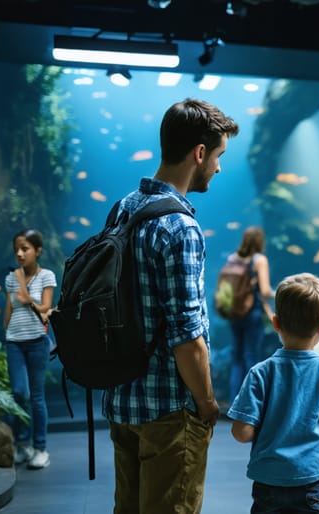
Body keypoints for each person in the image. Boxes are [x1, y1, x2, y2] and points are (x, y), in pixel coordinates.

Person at [103, 98, 239, 513]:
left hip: (123, 401)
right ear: (199, 153)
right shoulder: (180, 227)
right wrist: (208, 403)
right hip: (169, 412)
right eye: (217, 156)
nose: (218, 167)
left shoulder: (123, 210)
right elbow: (188, 338)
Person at [228, 273, 319, 514]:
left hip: (268, 480)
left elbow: (241, 433)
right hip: (312, 478)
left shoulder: (259, 373)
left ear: (275, 323)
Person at [4, 228, 56, 470]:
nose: (19, 253)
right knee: (19, 392)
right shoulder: (11, 278)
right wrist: (6, 331)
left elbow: (46, 309)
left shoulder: (47, 276)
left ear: (38, 250)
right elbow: (8, 311)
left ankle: (41, 449)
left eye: (25, 248)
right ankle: (22, 444)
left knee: (36, 397)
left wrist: (27, 300)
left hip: (37, 341)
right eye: (17, 249)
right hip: (14, 341)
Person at [223, 226, 275, 404]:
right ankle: (249, 403)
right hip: (252, 312)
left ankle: (233, 401)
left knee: (236, 357)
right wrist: (284, 292)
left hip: (234, 312)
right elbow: (266, 291)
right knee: (251, 356)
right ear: (260, 241)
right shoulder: (259, 260)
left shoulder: (233, 258)